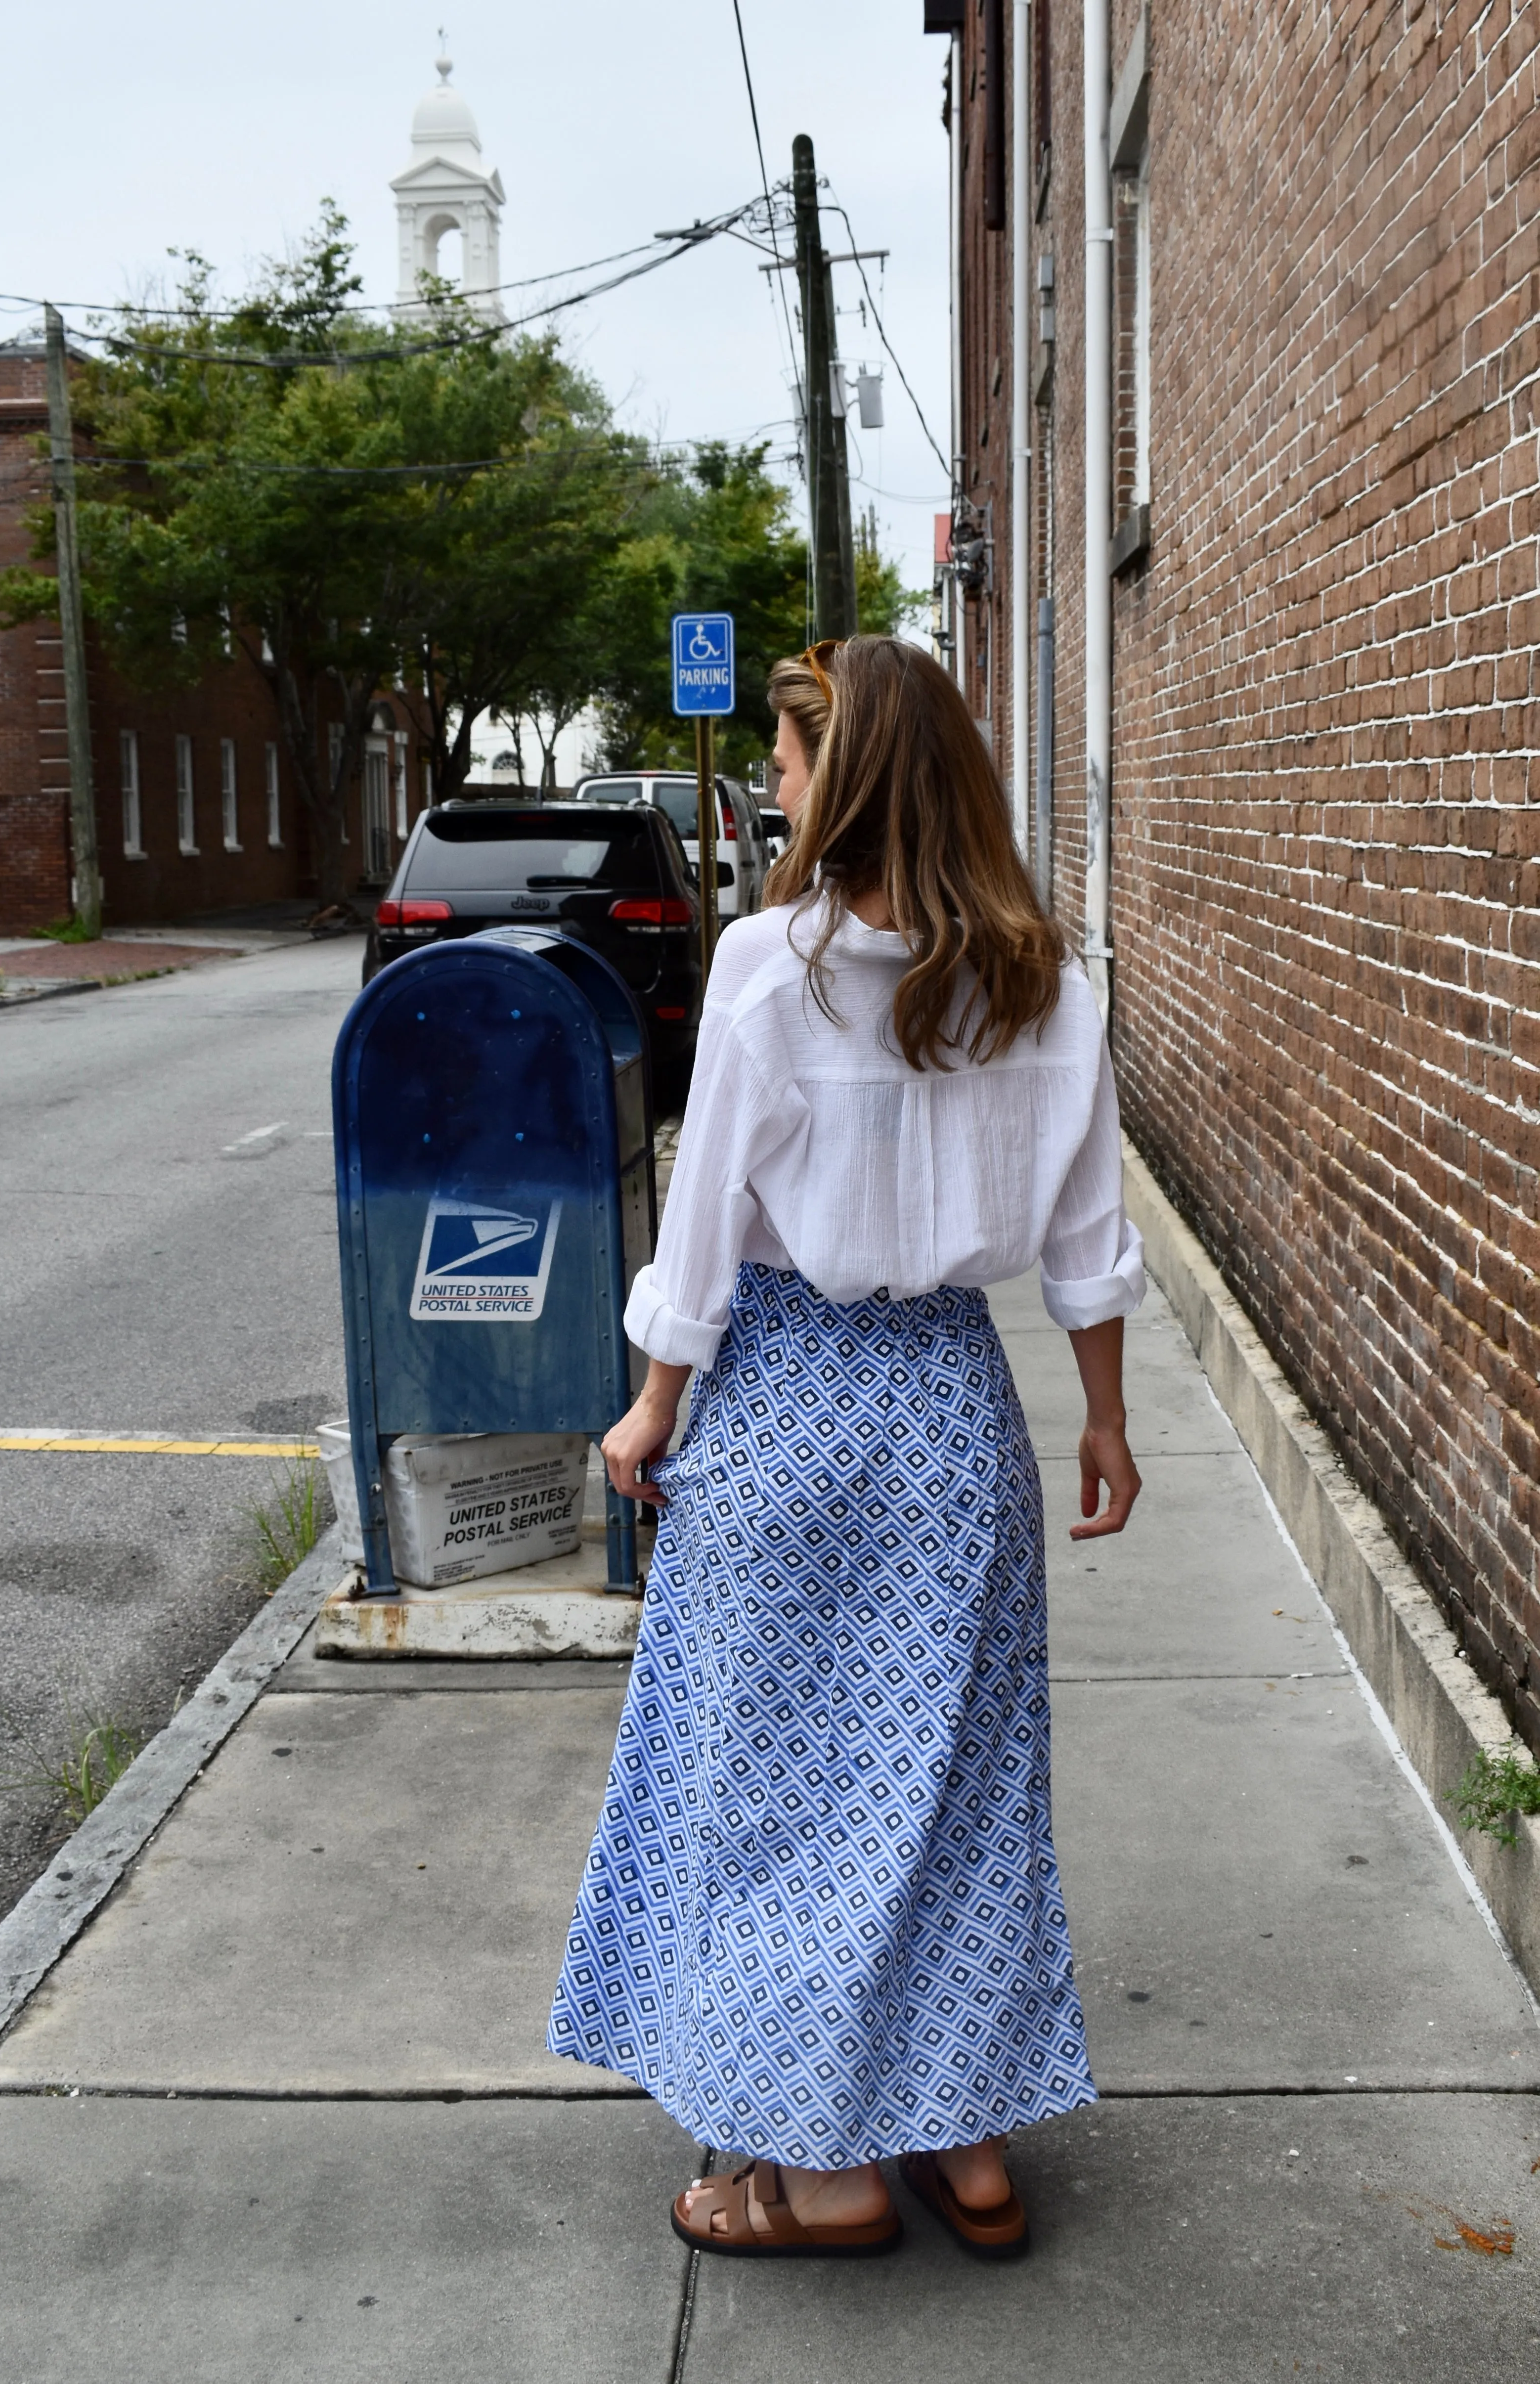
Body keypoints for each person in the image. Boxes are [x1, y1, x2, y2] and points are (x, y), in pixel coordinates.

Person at [549, 635, 1144, 2258]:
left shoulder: (769, 967)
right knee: (959, 1793)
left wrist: (655, 1400)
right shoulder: (1047, 974)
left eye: (795, 762)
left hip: (791, 1407)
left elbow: (702, 1220)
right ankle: (968, 2150)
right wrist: (1100, 1410)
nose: (780, 788)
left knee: (777, 1806)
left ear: (851, 776)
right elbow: (1085, 1233)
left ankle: (817, 2178)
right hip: (953, 1416)